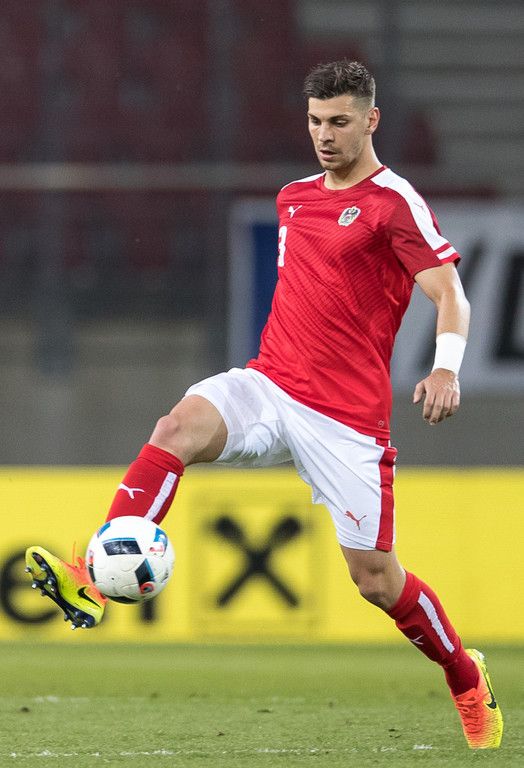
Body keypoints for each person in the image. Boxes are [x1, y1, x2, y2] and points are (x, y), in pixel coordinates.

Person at [25, 60, 502, 750]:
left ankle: (465, 675)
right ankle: (93, 581)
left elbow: (449, 292)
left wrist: (446, 369)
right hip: (272, 384)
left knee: (375, 579)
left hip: (345, 421)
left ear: (371, 120)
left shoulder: (393, 202)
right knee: (176, 427)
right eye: (315, 121)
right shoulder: (293, 199)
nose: (324, 135)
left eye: (339, 121)